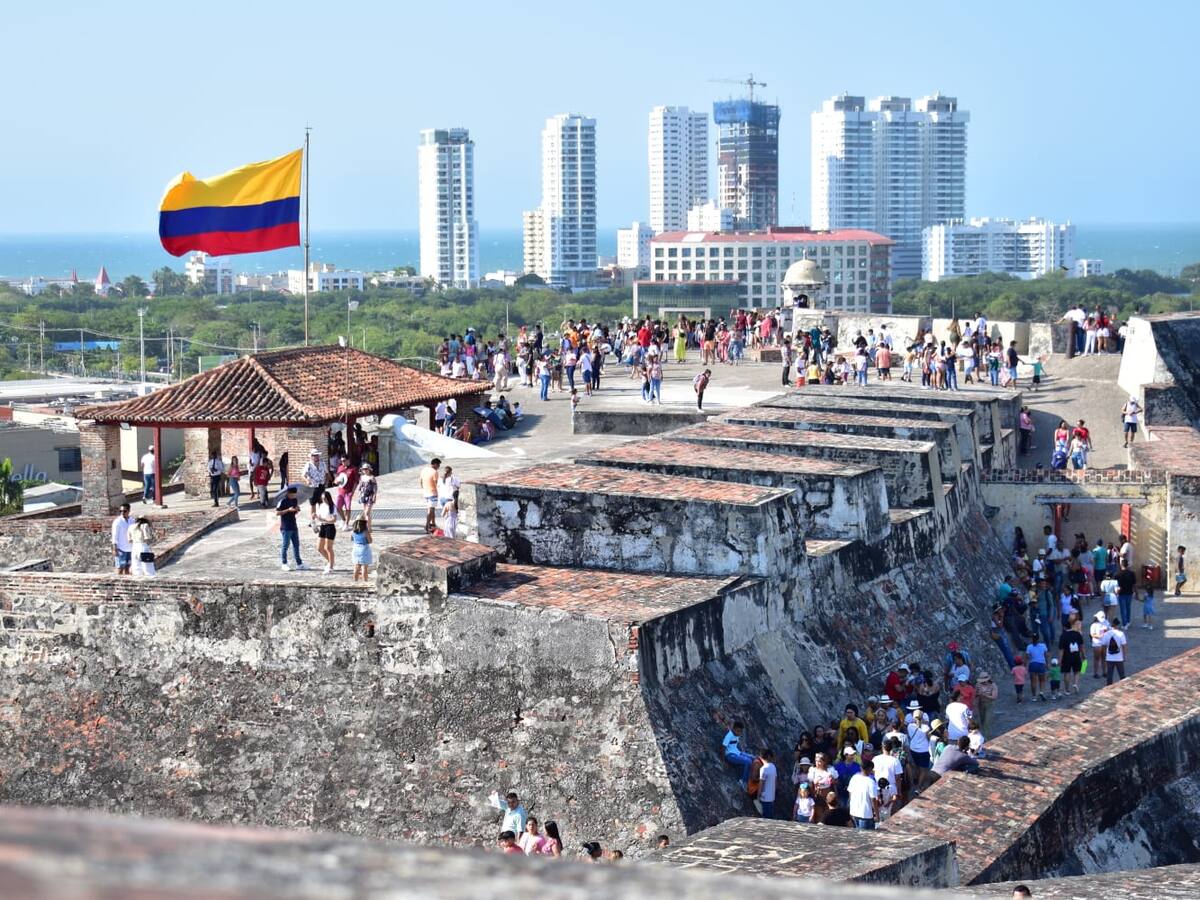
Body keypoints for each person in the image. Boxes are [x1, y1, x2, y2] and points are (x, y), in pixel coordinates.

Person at [275, 485, 306, 572]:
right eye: (292, 494)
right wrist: (288, 510)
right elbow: (277, 513)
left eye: (295, 494)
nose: (294, 496)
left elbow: (294, 512)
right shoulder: (282, 501)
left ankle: (299, 563)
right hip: (285, 526)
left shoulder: (295, 500)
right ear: (288, 493)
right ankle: (284, 563)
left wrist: (297, 509)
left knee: (296, 545)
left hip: (293, 525)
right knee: (285, 545)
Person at [846, 759, 879, 829]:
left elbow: (850, 794)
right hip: (865, 815)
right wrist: (877, 815)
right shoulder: (871, 782)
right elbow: (873, 800)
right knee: (865, 838)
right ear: (870, 769)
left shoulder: (854, 778)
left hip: (853, 813)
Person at [1058, 616, 1084, 694]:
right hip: (1076, 655)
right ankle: (1075, 683)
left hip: (1066, 656)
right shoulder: (1077, 634)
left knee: (1067, 673)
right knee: (1077, 671)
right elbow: (1081, 646)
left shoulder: (1063, 636)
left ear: (1064, 627)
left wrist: (1060, 660)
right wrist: (1083, 655)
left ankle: (1067, 690)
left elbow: (1061, 650)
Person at [315, 492, 338, 574]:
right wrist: (316, 517)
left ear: (328, 498)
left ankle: (331, 566)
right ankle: (330, 561)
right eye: (322, 498)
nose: (323, 500)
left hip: (330, 527)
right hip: (323, 526)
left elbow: (334, 520)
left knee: (328, 548)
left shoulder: (332, 506)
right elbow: (320, 517)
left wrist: (324, 520)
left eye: (325, 498)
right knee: (319, 547)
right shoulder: (321, 506)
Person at [303, 450, 328, 522]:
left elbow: (326, 473)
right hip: (312, 487)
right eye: (314, 455)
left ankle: (321, 518)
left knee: (322, 503)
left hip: (321, 486)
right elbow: (303, 475)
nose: (316, 457)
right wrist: (307, 480)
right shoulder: (308, 465)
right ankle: (312, 520)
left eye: (317, 455)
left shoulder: (323, 463)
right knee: (312, 504)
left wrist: (325, 482)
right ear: (311, 456)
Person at [420, 458, 441, 534]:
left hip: (426, 492)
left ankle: (433, 523)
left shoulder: (424, 470)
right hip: (433, 493)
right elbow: (436, 484)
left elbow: (421, 481)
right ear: (435, 464)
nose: (438, 467)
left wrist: (424, 488)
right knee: (431, 509)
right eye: (438, 465)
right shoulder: (435, 472)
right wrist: (439, 493)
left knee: (431, 508)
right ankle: (427, 525)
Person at [111, 502, 133, 575]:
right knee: (119, 568)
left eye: (124, 511)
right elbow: (114, 536)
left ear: (129, 511)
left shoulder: (132, 521)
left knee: (128, 567)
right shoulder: (117, 521)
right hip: (121, 549)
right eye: (120, 511)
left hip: (130, 548)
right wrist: (115, 549)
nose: (122, 513)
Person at [1025, 635, 1049, 701]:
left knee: (1033, 681)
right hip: (1041, 664)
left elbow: (1027, 657)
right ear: (1038, 639)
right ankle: (1041, 692)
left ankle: (1034, 697)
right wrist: (1047, 664)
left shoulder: (1029, 647)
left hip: (1033, 664)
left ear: (1032, 639)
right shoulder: (1043, 646)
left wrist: (1025, 666)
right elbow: (1046, 656)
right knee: (1042, 680)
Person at [1105, 619, 1128, 684]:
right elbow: (1124, 646)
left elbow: (1104, 645)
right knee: (1122, 675)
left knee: (1109, 676)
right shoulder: (1121, 634)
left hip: (1109, 658)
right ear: (1117, 625)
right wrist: (1124, 656)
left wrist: (1105, 656)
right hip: (1119, 658)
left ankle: (1108, 689)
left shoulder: (1107, 634)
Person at [1116, 560, 1137, 632]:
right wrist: (1136, 593)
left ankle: (1124, 624)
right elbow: (1134, 584)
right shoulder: (1132, 573)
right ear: (1127, 565)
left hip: (1121, 593)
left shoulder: (1118, 574)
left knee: (1122, 609)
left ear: (1121, 565)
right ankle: (1128, 621)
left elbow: (1116, 586)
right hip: (1129, 593)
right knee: (1128, 607)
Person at [758, 749, 778, 818]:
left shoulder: (763, 769)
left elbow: (761, 783)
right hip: (772, 796)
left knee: (765, 816)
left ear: (761, 758)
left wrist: (758, 795)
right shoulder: (773, 767)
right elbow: (775, 781)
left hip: (765, 797)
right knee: (770, 815)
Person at [351, 517, 372, 582]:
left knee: (356, 566)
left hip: (355, 548)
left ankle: (355, 581)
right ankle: (365, 581)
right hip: (364, 548)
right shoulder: (365, 531)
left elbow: (352, 539)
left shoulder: (353, 531)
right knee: (364, 567)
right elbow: (370, 541)